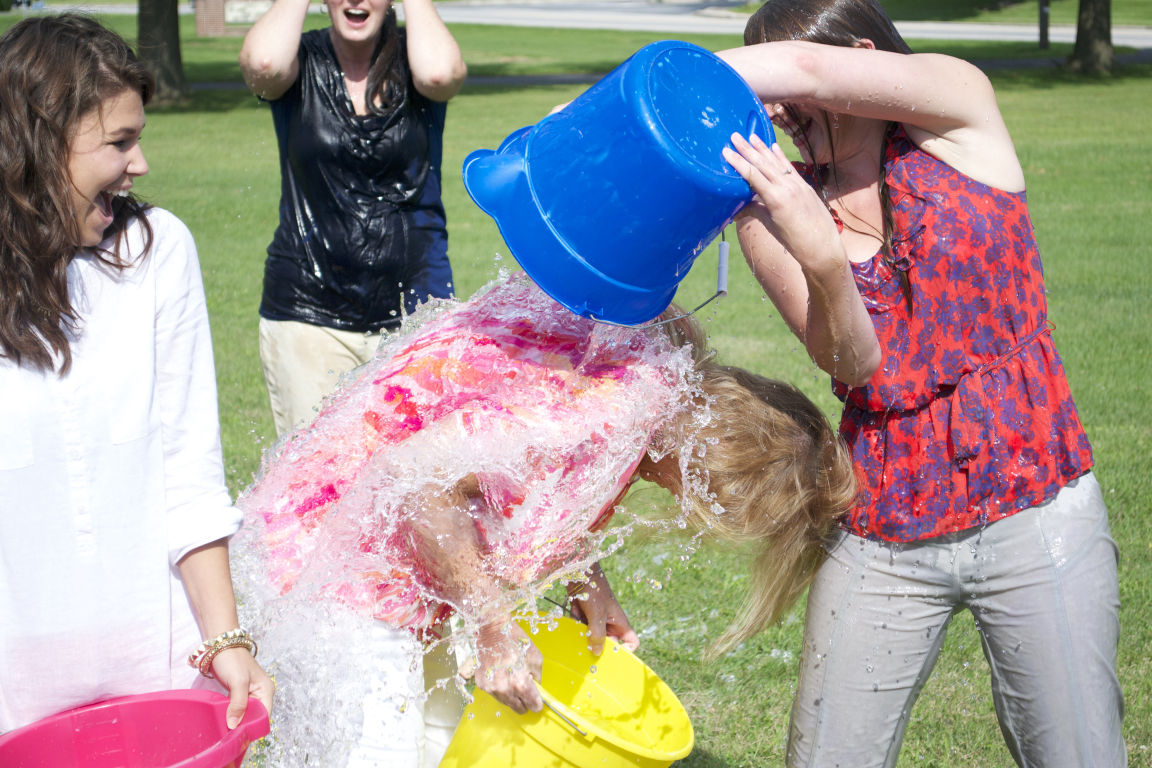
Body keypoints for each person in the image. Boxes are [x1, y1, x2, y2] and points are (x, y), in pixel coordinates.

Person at [716, 1, 1126, 765]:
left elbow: (806, 67)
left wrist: (650, 86)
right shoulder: (772, 209)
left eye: (776, 83)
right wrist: (823, 257)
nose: (772, 110)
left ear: (863, 57)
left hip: (1038, 506)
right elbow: (853, 364)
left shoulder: (958, 111)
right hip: (883, 526)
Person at [231, 272, 856, 767]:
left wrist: (586, 577)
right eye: (720, 508)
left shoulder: (653, 373)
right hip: (333, 558)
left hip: (390, 559)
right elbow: (417, 485)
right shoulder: (607, 417)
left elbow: (519, 481)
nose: (695, 517)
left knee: (442, 744)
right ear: (719, 468)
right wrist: (493, 625)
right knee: (377, 754)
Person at [0, 14, 273, 735]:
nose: (140, 163)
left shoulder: (158, 253)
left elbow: (189, 467)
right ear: (37, 143)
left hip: (156, 665)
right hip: (15, 690)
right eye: (119, 142)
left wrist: (226, 640)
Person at [239, 0, 468, 438]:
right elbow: (264, 65)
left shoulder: (417, 61)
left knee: (418, 474)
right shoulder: (299, 62)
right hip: (309, 314)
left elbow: (441, 75)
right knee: (320, 475)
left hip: (418, 311)